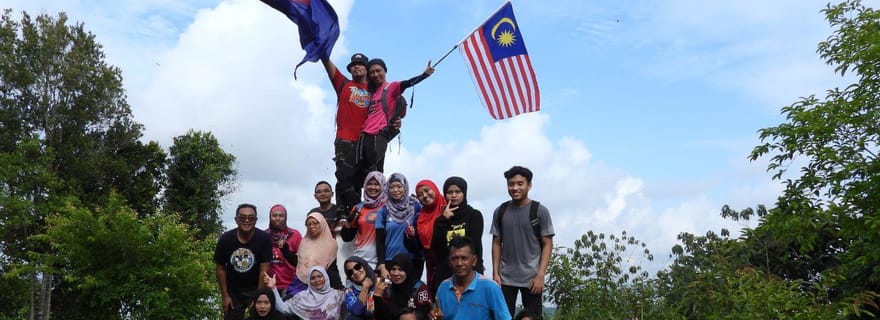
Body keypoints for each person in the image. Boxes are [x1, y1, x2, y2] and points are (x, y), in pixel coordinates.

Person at [491, 166, 554, 319]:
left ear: (529, 185)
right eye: (511, 184)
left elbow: (548, 244)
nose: (515, 188)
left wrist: (540, 275)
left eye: (520, 184)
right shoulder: (501, 211)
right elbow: (496, 242)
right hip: (505, 278)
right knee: (502, 317)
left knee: (533, 317)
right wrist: (495, 273)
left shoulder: (539, 211)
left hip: (532, 278)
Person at [359, 58, 434, 174]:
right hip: (364, 137)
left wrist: (424, 75)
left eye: (378, 70)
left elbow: (407, 83)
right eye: (372, 72)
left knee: (375, 173)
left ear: (385, 71)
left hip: (378, 136)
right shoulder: (371, 94)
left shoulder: (391, 87)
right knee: (363, 174)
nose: (375, 74)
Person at [322, 53, 371, 218]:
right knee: (344, 177)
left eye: (360, 64)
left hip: (365, 142)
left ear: (367, 68)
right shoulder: (343, 84)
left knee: (360, 179)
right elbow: (327, 64)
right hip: (345, 140)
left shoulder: (375, 90)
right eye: (353, 65)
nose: (356, 67)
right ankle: (343, 213)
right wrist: (322, 48)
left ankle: (357, 211)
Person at [215, 203, 273, 320]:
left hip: (255, 289)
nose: (247, 221)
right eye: (242, 217)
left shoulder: (264, 239)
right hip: (233, 291)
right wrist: (225, 295)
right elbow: (220, 268)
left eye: (251, 218)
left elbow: (264, 271)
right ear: (236, 220)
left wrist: (258, 297)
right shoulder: (225, 239)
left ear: (256, 220)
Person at [431, 237, 510, 320]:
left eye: (464, 258)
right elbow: (438, 314)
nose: (459, 263)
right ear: (449, 262)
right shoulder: (443, 288)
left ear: (474, 260)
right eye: (454, 259)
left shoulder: (490, 287)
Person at [431, 177, 485, 289]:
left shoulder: (474, 215)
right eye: (449, 192)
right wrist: (443, 220)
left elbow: (474, 245)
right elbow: (437, 248)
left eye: (457, 192)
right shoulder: (441, 220)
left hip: (470, 272)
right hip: (446, 274)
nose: (453, 195)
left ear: (464, 193)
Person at [376, 173, 423, 279]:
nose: (395, 190)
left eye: (399, 186)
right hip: (390, 260)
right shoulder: (383, 210)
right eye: (392, 187)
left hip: (413, 259)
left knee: (412, 293)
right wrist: (382, 265)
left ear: (405, 187)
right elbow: (379, 240)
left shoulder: (416, 206)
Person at [287, 212, 343, 298]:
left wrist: (338, 287)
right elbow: (299, 264)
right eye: (308, 224)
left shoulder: (331, 244)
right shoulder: (304, 242)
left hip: (320, 284)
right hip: (300, 283)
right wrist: (285, 250)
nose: (311, 226)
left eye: (315, 223)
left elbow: (332, 268)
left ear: (322, 223)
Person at [341, 171, 386, 269]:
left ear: (383, 186)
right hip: (361, 260)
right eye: (369, 184)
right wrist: (349, 222)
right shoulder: (358, 208)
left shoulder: (389, 207)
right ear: (365, 185)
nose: (373, 187)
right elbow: (347, 238)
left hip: (383, 262)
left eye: (376, 184)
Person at [409, 179, 446, 297]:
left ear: (434, 188)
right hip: (432, 266)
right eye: (420, 194)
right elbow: (418, 247)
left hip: (452, 262)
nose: (424, 196)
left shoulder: (447, 208)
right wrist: (411, 236)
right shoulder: (419, 217)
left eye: (426, 190)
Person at [311, 181, 353, 285]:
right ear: (315, 196)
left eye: (326, 191)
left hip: (341, 250)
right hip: (321, 254)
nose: (323, 194)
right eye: (319, 192)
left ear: (332, 194)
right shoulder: (313, 213)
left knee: (341, 280)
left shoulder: (339, 210)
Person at [267, 266, 345, 320]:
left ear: (325, 277)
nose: (317, 280)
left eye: (319, 276)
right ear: (309, 281)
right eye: (312, 278)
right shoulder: (302, 297)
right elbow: (283, 309)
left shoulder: (337, 295)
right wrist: (273, 288)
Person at [374, 253, 432, 320]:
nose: (396, 273)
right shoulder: (387, 289)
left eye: (400, 270)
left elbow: (425, 316)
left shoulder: (420, 289)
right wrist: (377, 297)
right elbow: (381, 317)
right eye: (393, 269)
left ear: (408, 270)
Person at [265, 204, 302, 297]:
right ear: (270, 217)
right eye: (274, 215)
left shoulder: (295, 235)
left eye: (281, 216)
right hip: (270, 285)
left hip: (291, 285)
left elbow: (301, 260)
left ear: (285, 218)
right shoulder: (264, 236)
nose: (277, 218)